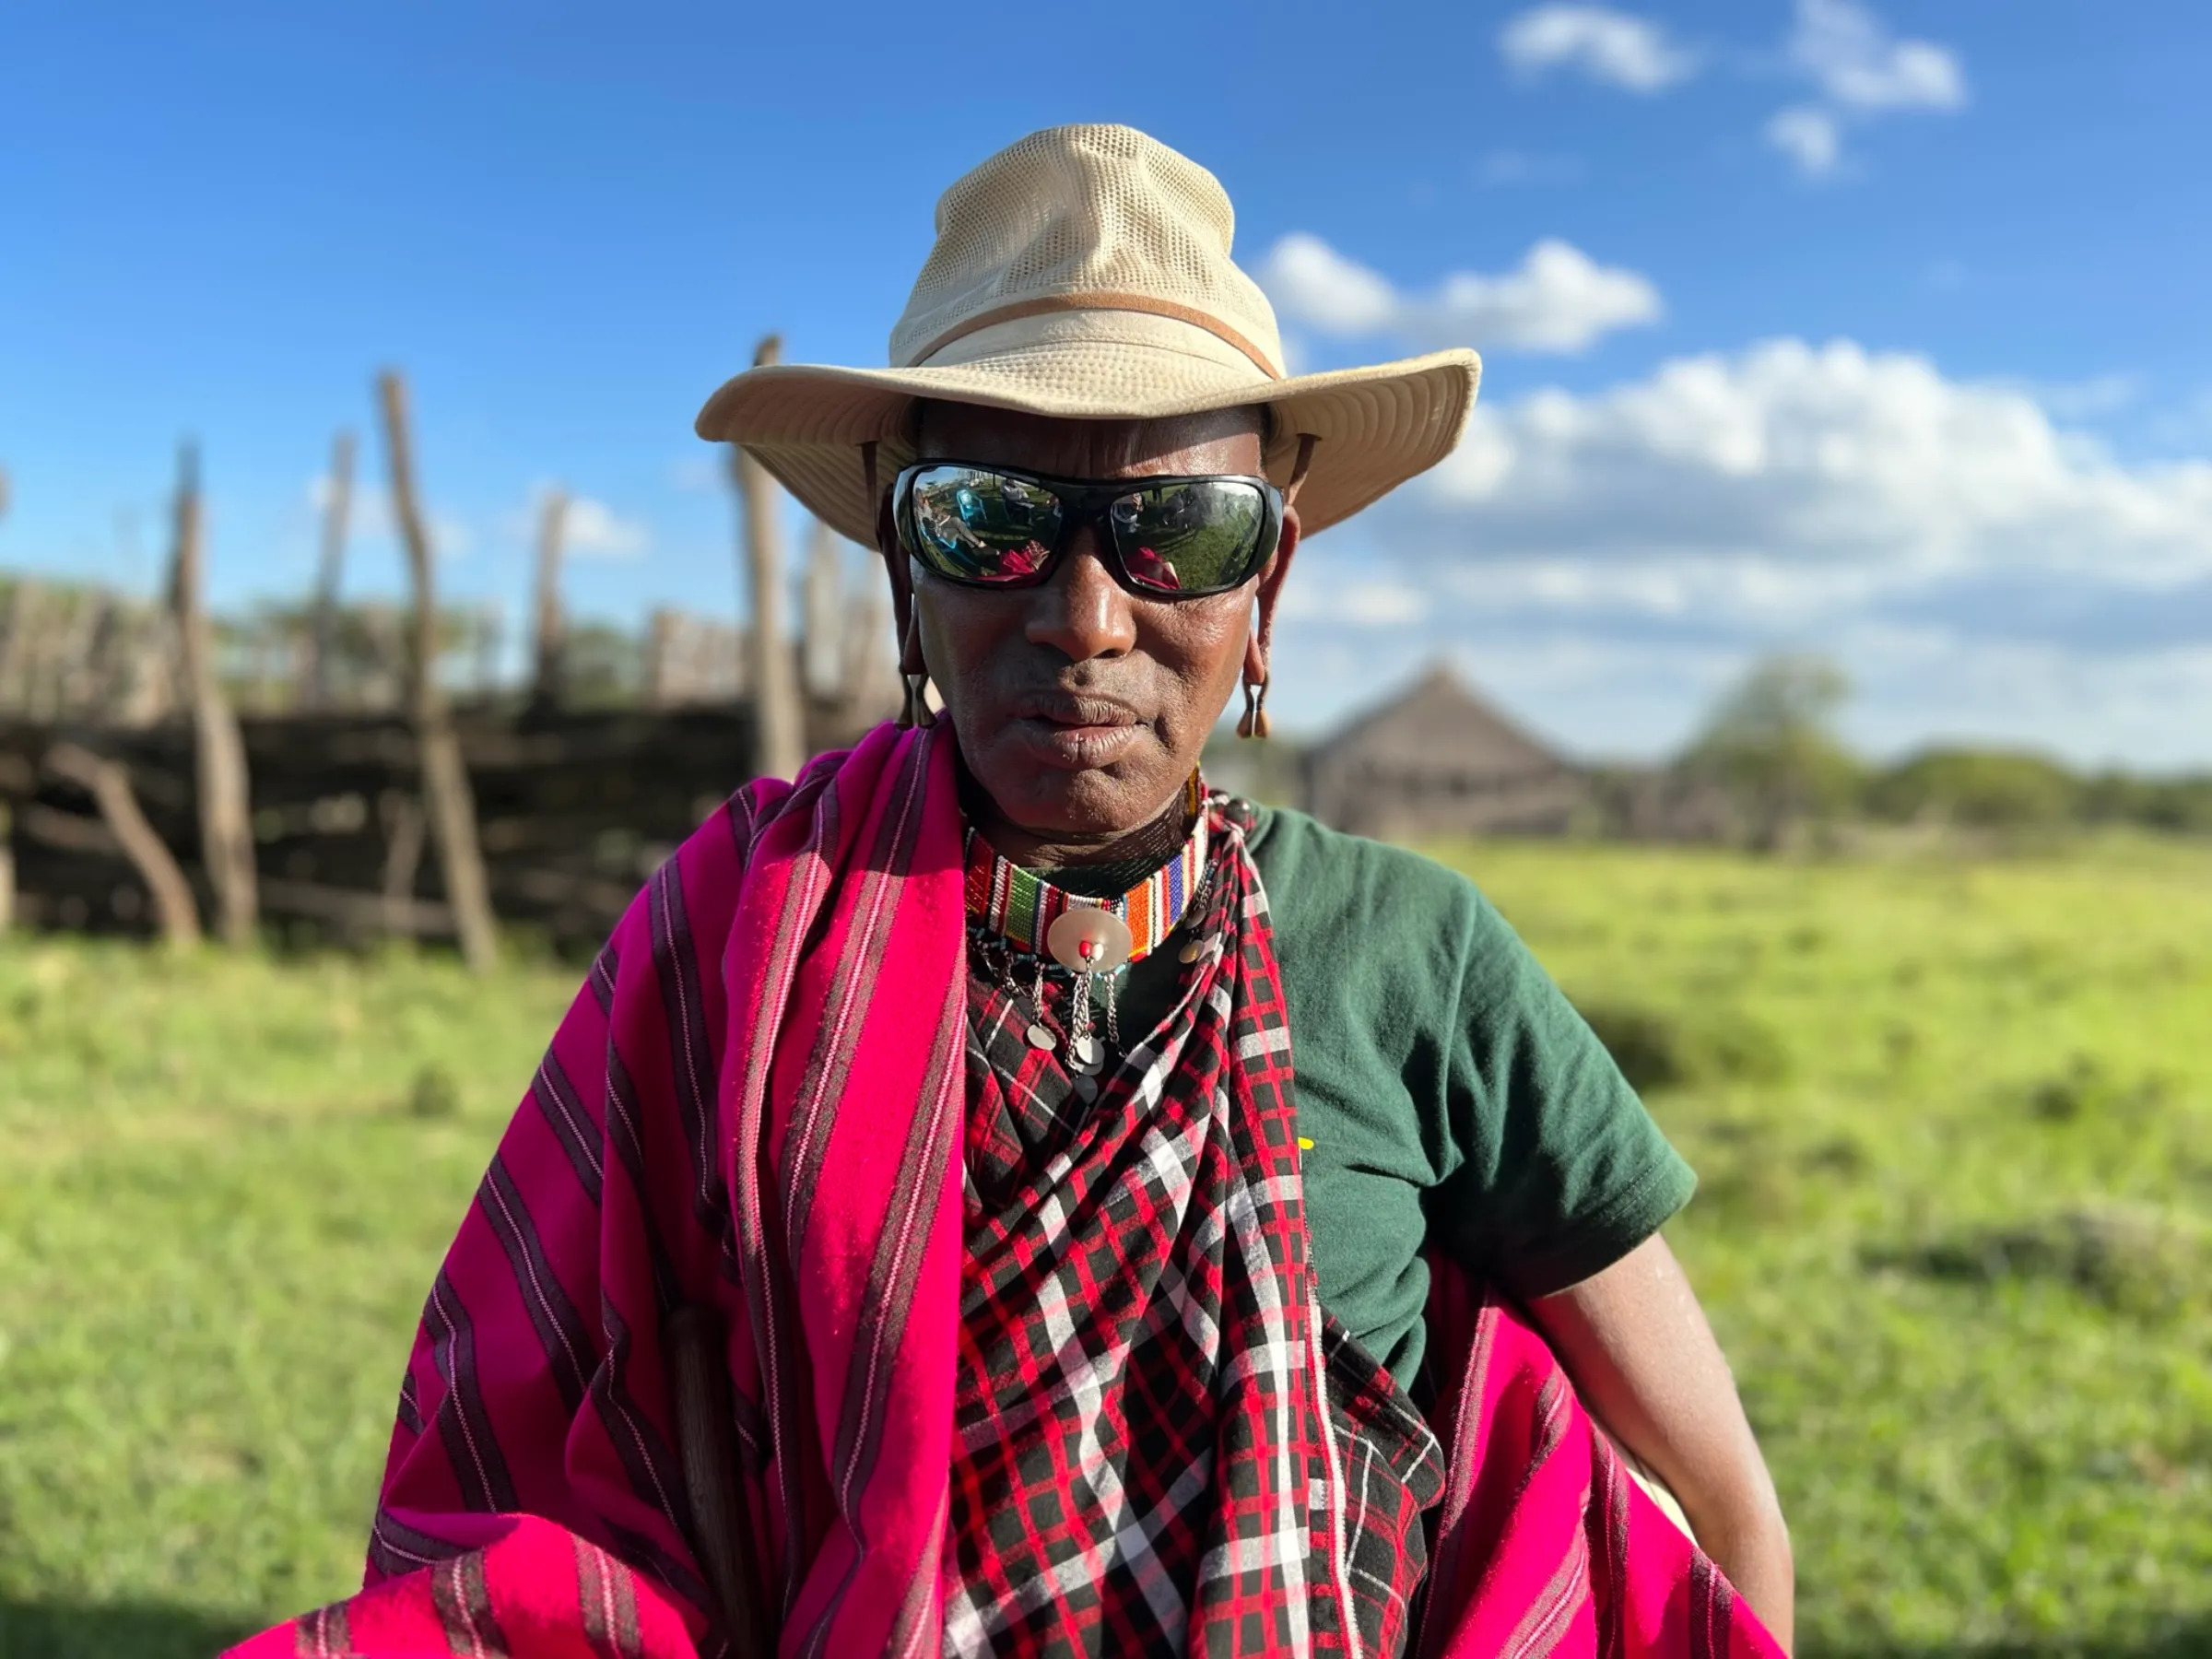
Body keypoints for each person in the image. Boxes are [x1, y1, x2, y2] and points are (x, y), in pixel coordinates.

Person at [235, 124, 1791, 1659]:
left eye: (1180, 529)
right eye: (992, 523)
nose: (1086, 618)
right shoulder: (744, 931)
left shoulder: (1411, 951)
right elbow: (535, 1473)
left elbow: (1722, 1521)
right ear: (910, 574)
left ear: (1271, 587)